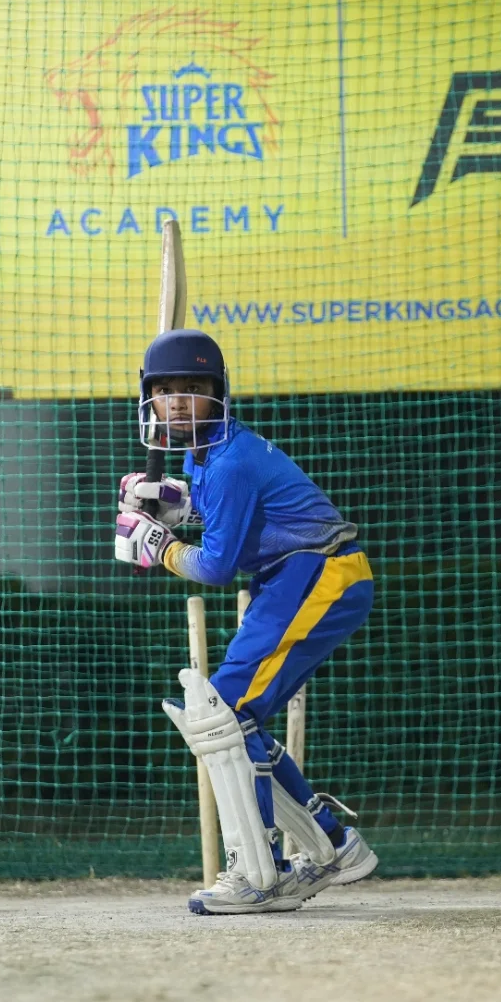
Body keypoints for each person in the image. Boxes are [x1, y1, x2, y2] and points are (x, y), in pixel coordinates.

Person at [114, 328, 378, 915]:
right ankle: (332, 845)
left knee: (225, 711)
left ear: (219, 393)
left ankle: (258, 873)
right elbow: (220, 513)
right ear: (149, 399)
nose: (179, 401)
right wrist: (173, 502)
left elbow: (214, 566)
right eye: (167, 390)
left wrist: (158, 546)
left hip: (317, 573)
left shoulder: (230, 459)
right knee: (235, 715)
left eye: (194, 388)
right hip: (291, 577)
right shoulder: (204, 453)